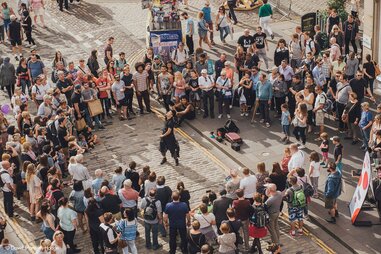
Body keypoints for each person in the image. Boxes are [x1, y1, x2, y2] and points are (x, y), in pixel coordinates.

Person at [264, 183, 282, 251]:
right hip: (277, 212)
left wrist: (267, 192)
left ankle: (276, 243)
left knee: (272, 229)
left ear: (269, 190)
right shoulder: (279, 193)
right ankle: (278, 240)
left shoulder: (270, 200)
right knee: (276, 226)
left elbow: (265, 207)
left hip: (271, 214)